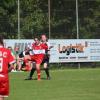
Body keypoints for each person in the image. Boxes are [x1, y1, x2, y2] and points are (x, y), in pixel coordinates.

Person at [0, 35, 15, 100]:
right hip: (4, 76)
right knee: (1, 96)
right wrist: (6, 72)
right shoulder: (7, 51)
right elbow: (11, 66)